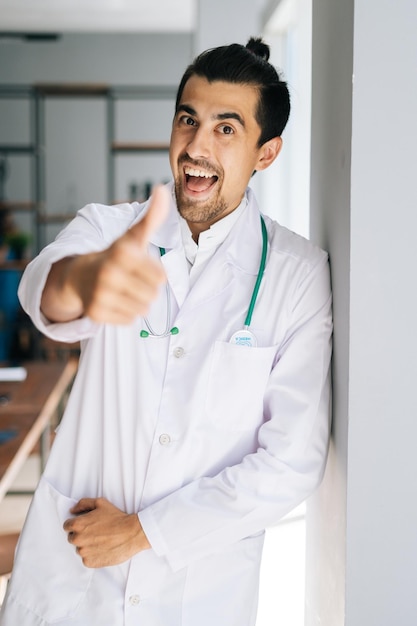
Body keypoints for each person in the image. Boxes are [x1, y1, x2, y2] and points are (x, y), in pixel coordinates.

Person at [0, 37, 332, 626]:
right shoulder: (111, 227)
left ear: (267, 152)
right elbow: (43, 289)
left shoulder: (296, 275)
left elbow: (290, 462)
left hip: (199, 593)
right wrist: (89, 277)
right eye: (188, 119)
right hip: (72, 585)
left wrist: (141, 533)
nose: (197, 147)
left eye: (226, 129)